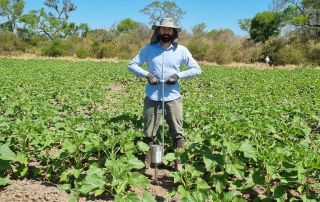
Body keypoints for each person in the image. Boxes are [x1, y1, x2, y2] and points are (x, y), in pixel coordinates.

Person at [128, 17, 201, 171]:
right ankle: (147, 163)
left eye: (169, 29)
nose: (166, 31)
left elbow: (197, 69)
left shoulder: (181, 50)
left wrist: (178, 76)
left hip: (173, 98)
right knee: (149, 132)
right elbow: (132, 65)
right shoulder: (149, 49)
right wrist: (147, 75)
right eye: (163, 29)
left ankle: (178, 163)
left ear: (173, 32)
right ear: (158, 31)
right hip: (153, 97)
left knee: (177, 132)